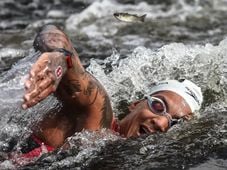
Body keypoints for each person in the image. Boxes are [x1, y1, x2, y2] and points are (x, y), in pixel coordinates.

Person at [17, 25, 203, 159]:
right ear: (136, 104)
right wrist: (58, 57)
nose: (162, 123)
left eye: (175, 124)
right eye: (158, 105)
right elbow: (54, 35)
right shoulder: (97, 114)